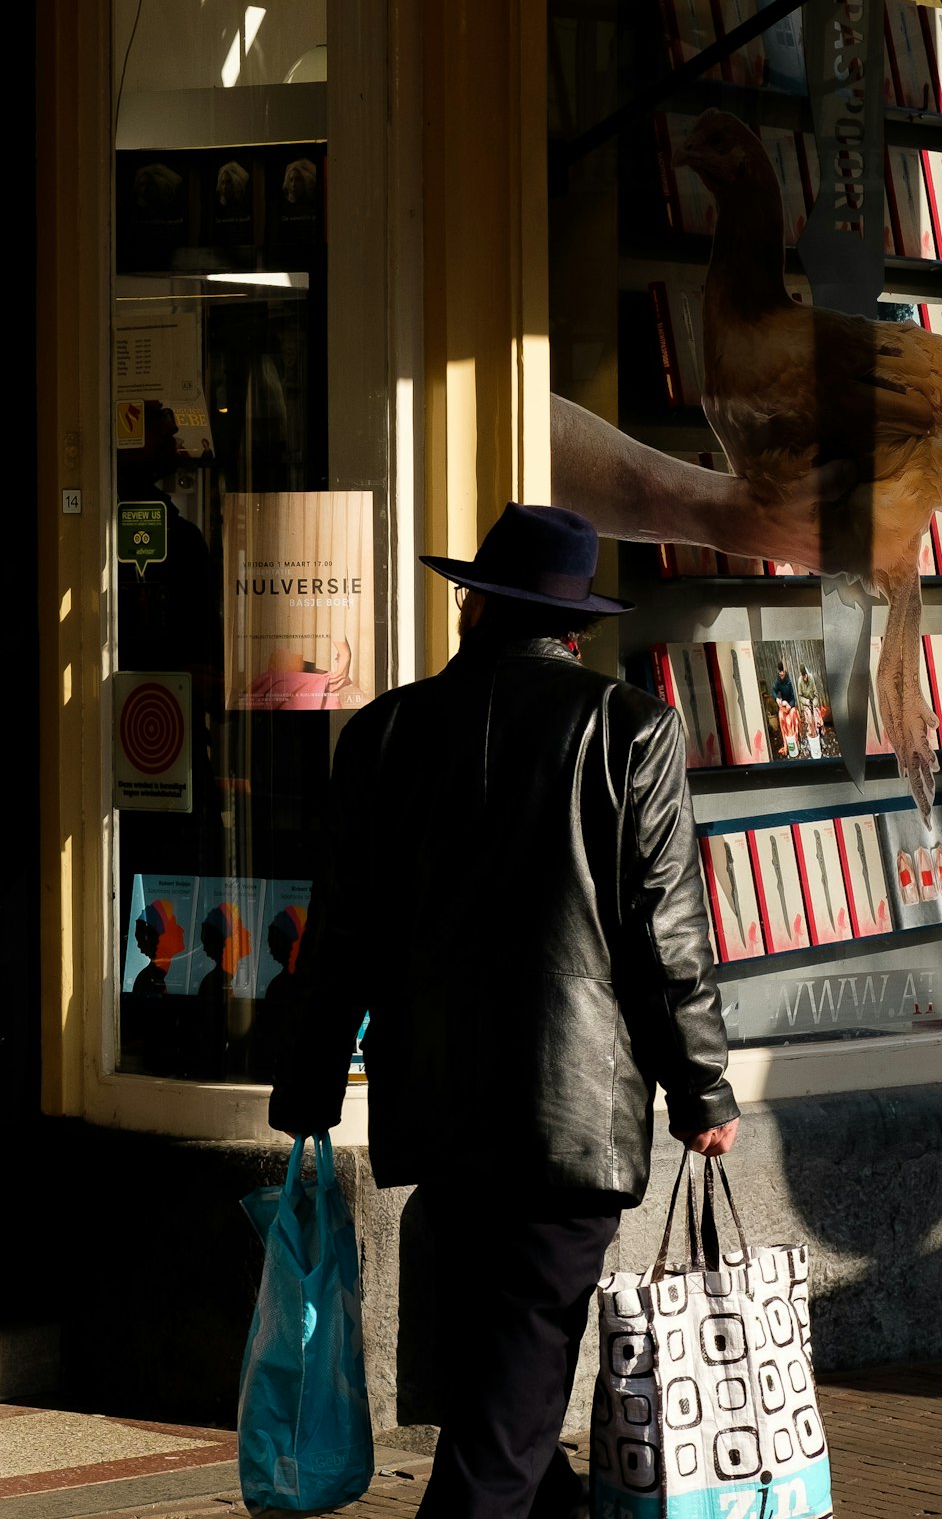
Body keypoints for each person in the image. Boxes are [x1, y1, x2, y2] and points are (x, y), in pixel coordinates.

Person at [269, 503, 738, 1519]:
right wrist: (701, 1085)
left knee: (501, 1388)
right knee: (507, 1414)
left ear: (475, 604)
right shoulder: (628, 729)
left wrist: (308, 1079)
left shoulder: (384, 732)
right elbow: (664, 935)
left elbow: (338, 933)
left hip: (436, 1110)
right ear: (570, 623)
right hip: (566, 1121)